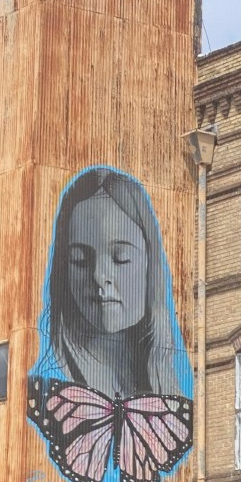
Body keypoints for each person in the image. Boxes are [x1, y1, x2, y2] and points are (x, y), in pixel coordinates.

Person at [31, 166, 187, 400]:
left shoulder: (174, 388)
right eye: (80, 260)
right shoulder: (48, 384)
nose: (99, 275)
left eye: (120, 257)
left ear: (150, 264)